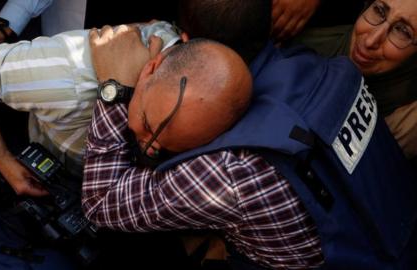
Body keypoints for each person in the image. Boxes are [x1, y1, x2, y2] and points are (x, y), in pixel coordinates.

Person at [82, 0, 417, 269]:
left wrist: (115, 90)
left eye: (403, 31)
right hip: (397, 228)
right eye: (379, 11)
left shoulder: (231, 171)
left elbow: (100, 204)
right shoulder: (322, 67)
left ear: (185, 37)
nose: (373, 38)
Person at [0, 21, 182, 196]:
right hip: (38, 160)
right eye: (148, 123)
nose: (152, 148)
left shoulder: (169, 39)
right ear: (153, 67)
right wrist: (4, 163)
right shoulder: (70, 73)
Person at [288, 0, 417, 160]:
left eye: (402, 31)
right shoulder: (305, 26)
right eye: (379, 11)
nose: (371, 41)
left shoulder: (405, 125)